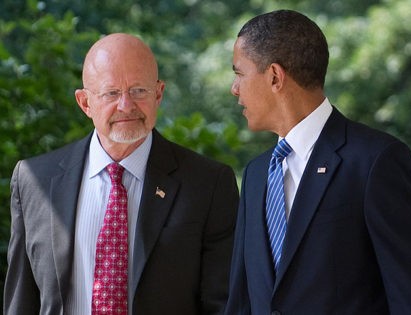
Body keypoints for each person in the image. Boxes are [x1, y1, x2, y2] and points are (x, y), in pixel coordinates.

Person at [4, 33, 239, 315]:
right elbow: (21, 302)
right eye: (111, 93)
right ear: (85, 103)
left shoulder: (208, 184)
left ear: (159, 93)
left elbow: (223, 305)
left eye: (139, 91)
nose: (126, 106)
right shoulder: (35, 180)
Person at [224, 9, 411, 315]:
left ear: (275, 76)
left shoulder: (377, 161)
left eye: (239, 73)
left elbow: (410, 296)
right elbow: (240, 301)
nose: (234, 88)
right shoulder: (255, 174)